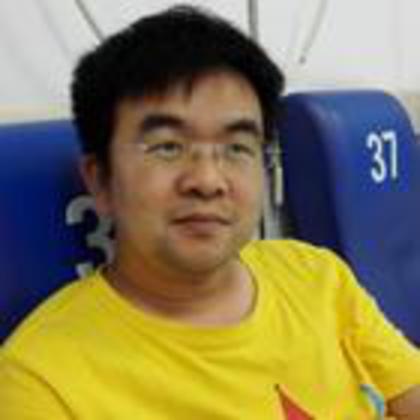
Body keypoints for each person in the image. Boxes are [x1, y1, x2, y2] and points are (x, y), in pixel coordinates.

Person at [1, 5, 420, 419]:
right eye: (167, 147)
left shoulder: (316, 275)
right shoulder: (42, 384)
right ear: (100, 181)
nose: (207, 180)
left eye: (237, 148)